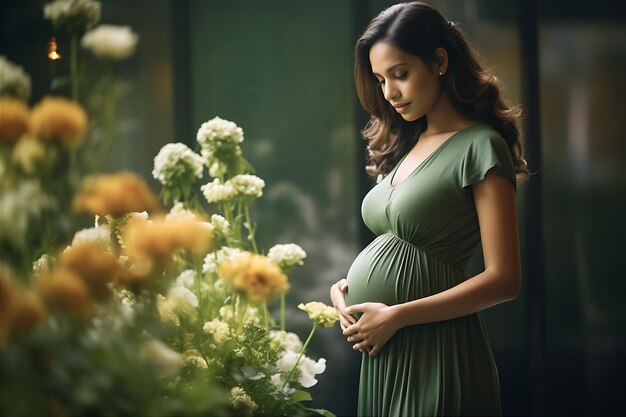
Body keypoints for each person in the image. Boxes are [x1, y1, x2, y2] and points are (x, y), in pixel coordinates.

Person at [329, 2, 529, 416]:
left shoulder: (480, 146)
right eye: (380, 79)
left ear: (439, 61)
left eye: (400, 74)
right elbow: (399, 249)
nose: (389, 93)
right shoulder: (405, 148)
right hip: (384, 355)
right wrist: (347, 288)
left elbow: (504, 280)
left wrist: (397, 315)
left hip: (439, 352)